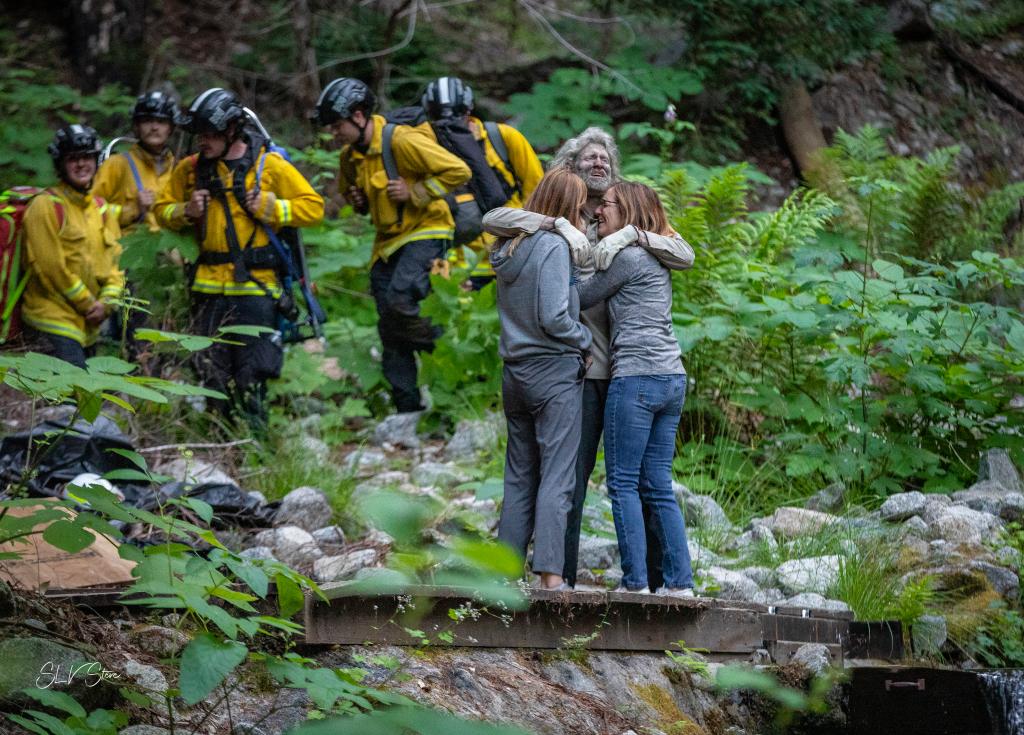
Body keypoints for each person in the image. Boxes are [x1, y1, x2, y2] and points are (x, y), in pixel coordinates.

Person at [482, 127, 694, 588]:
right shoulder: (559, 221)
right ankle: (564, 575)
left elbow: (683, 251)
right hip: (577, 365)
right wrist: (556, 224)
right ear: (570, 169)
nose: (598, 164)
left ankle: (658, 580)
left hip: (622, 368)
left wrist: (631, 236)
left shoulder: (624, 216)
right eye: (588, 159)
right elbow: (496, 217)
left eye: (604, 158)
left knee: (636, 479)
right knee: (571, 478)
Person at [155, 88, 324, 429]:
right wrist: (184, 211)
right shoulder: (190, 169)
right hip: (206, 287)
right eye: (199, 135)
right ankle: (220, 441)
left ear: (232, 129)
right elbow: (161, 209)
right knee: (210, 371)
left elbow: (314, 207)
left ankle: (256, 443)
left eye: (210, 134)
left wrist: (275, 208)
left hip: (256, 288)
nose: (203, 141)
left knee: (252, 372)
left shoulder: (269, 165)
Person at [314, 77, 471, 445]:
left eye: (338, 126)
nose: (334, 133)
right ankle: (407, 409)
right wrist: (357, 200)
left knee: (402, 300)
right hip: (386, 243)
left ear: (358, 116)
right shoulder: (349, 157)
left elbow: (458, 171)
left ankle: (445, 354)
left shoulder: (401, 140)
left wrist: (416, 191)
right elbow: (357, 202)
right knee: (388, 323)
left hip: (426, 230)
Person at [576, 181, 694, 596]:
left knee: (623, 482)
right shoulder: (656, 253)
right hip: (672, 376)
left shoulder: (626, 257)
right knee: (658, 483)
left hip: (636, 377)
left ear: (626, 210)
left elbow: (582, 297)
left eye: (606, 205)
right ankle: (680, 585)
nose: (598, 212)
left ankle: (636, 583)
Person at [491, 167, 592, 591]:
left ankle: (503, 572)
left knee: (518, 475)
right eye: (583, 208)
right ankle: (551, 577)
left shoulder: (508, 247)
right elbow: (554, 316)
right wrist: (583, 337)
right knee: (558, 475)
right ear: (571, 208)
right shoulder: (552, 246)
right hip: (552, 372)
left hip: (514, 373)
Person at [420, 76, 543, 289]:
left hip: (508, 256)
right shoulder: (423, 148)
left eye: (459, 115)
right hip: (454, 266)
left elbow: (538, 191)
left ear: (469, 110)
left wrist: (525, 247)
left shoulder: (503, 138)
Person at [20, 124, 124, 369]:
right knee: (65, 403)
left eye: (87, 157)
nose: (81, 165)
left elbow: (117, 265)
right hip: (51, 321)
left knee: (92, 402)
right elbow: (50, 268)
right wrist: (89, 304)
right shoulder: (44, 206)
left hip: (90, 326)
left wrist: (107, 302)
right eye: (73, 159)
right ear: (61, 164)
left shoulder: (102, 209)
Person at [93, 90, 179, 233]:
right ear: (136, 126)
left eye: (161, 121)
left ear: (171, 128)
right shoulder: (117, 164)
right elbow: (89, 209)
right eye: (147, 121)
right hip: (127, 250)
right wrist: (132, 210)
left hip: (168, 251)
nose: (154, 127)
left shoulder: (178, 168)